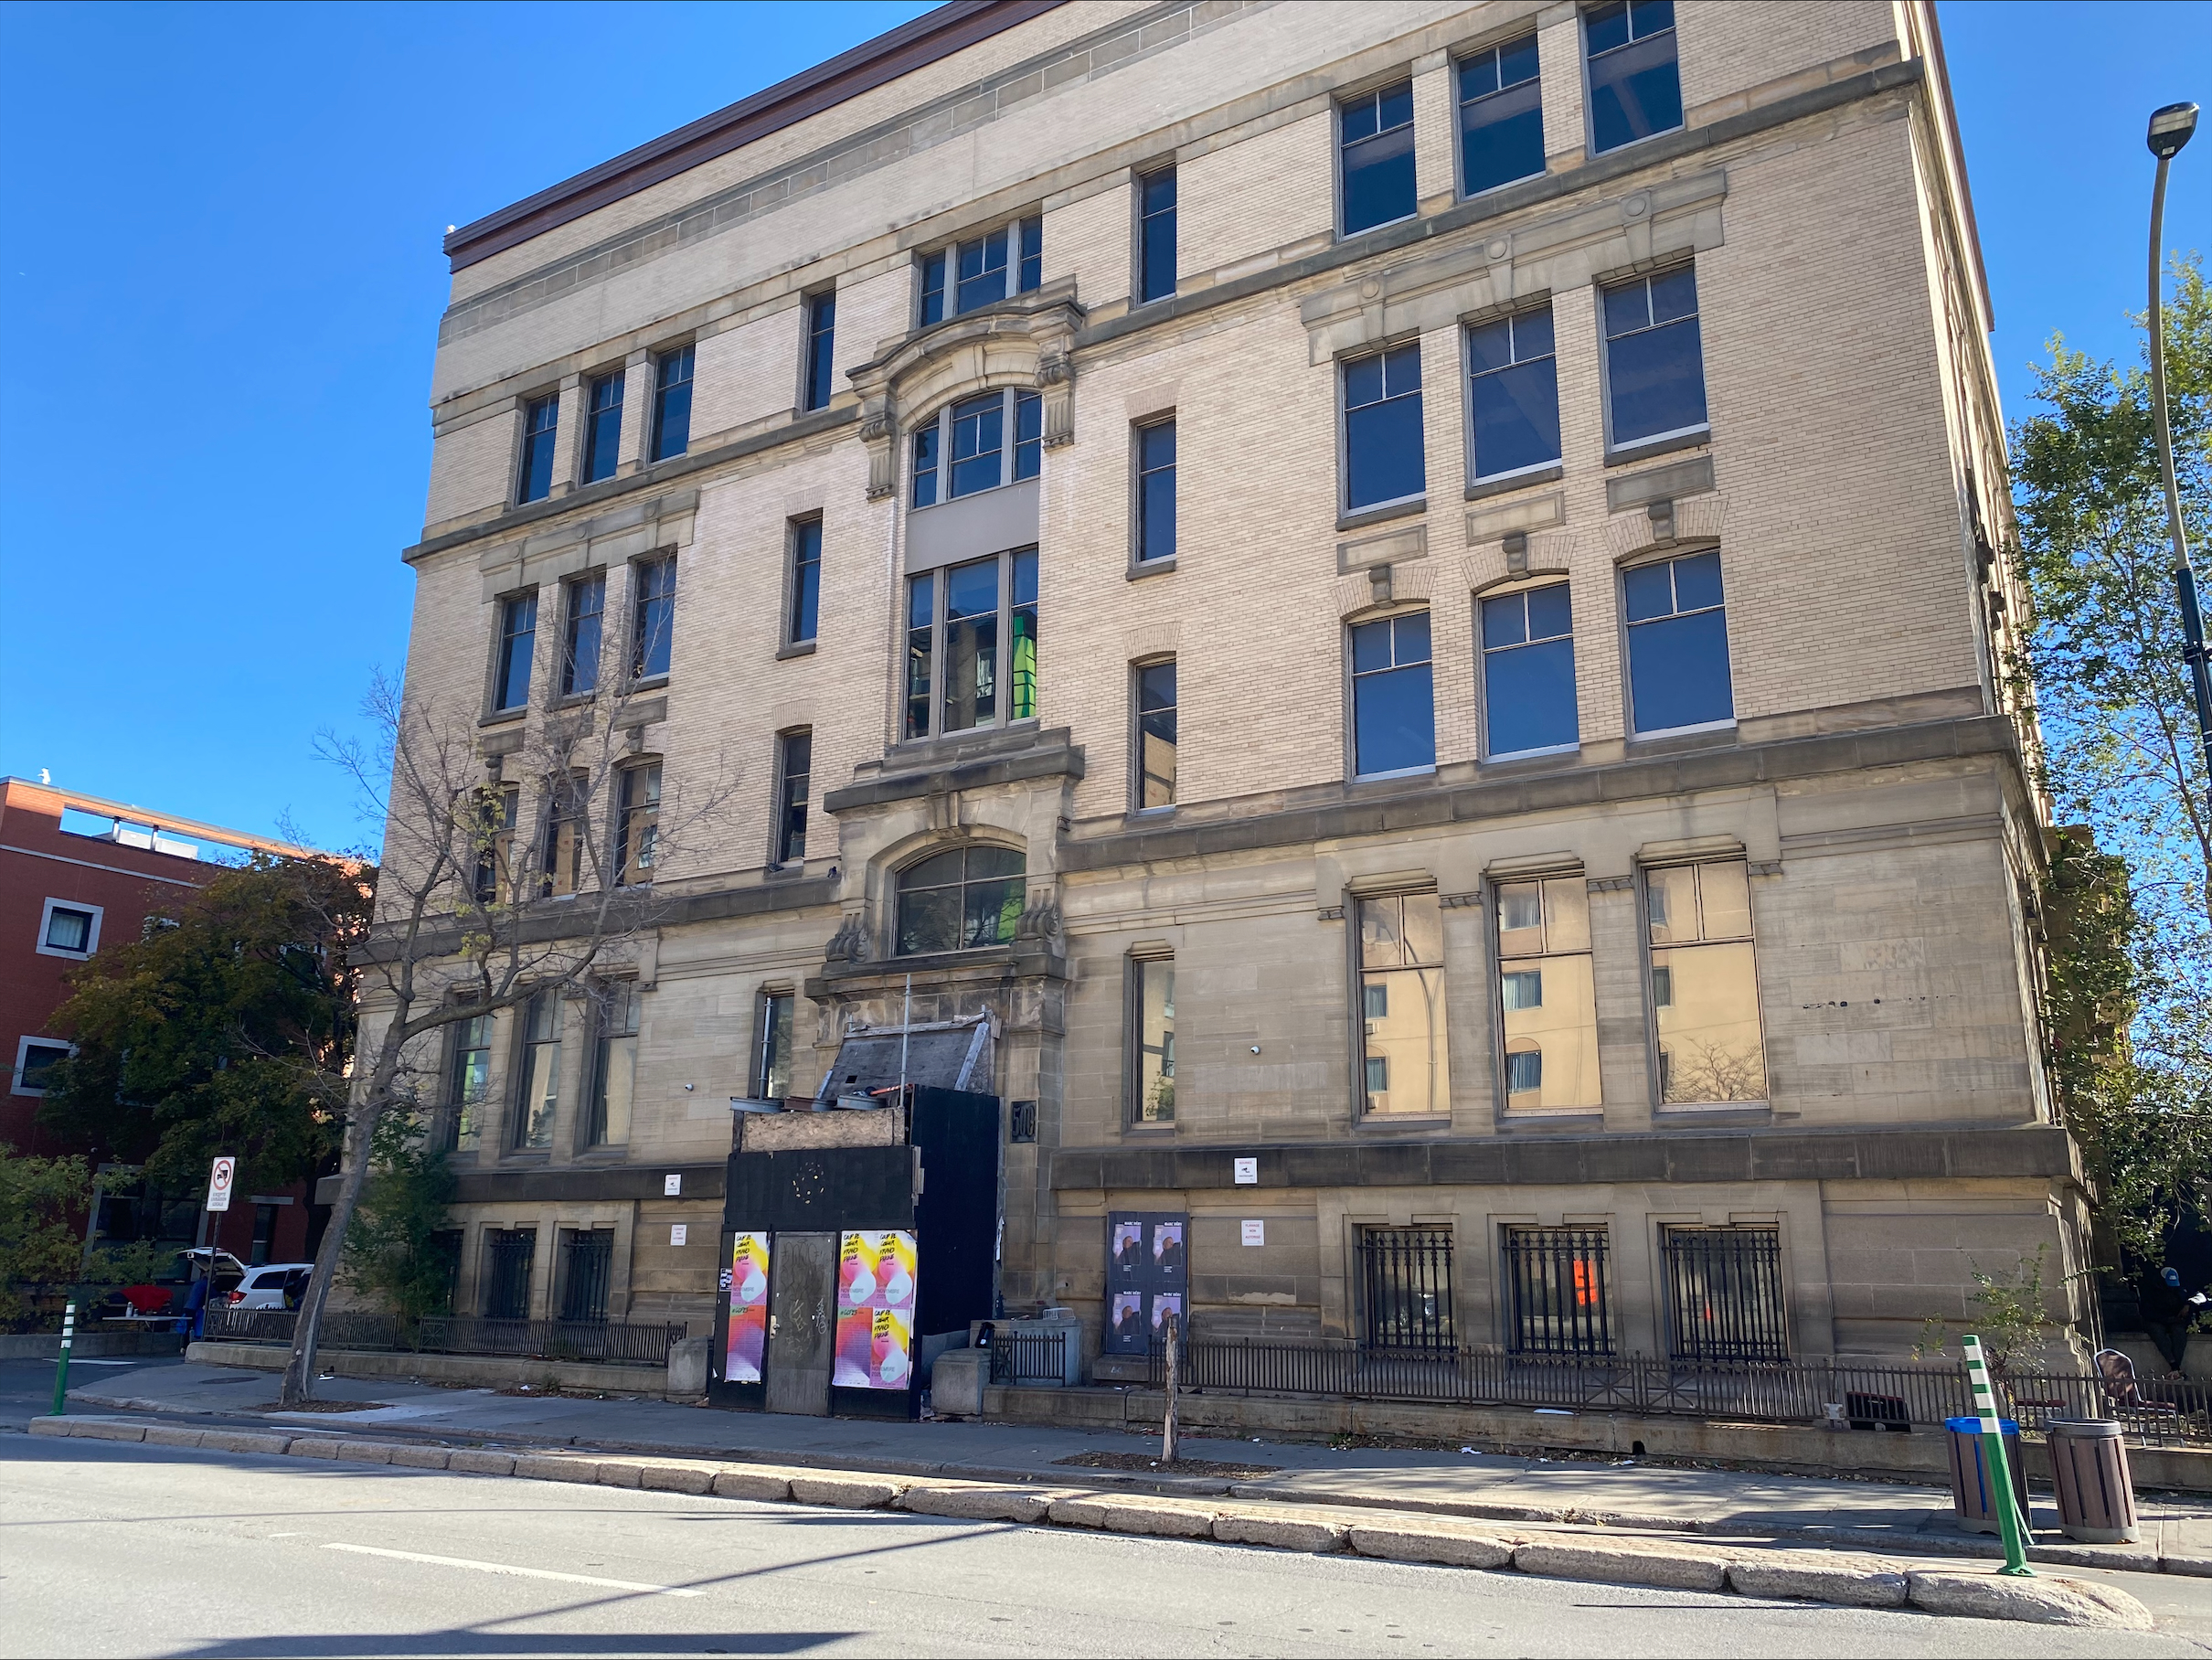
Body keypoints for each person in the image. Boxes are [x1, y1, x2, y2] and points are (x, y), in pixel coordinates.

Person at [2140, 1264, 2198, 1376]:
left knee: (2180, 1333)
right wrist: (2167, 1319)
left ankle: (2175, 1369)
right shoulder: (2151, 1291)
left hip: (2174, 1320)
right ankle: (2174, 1366)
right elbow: (2147, 1312)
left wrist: (2188, 1304)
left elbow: (2198, 1295)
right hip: (2156, 1319)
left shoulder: (2180, 1290)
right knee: (2158, 1333)